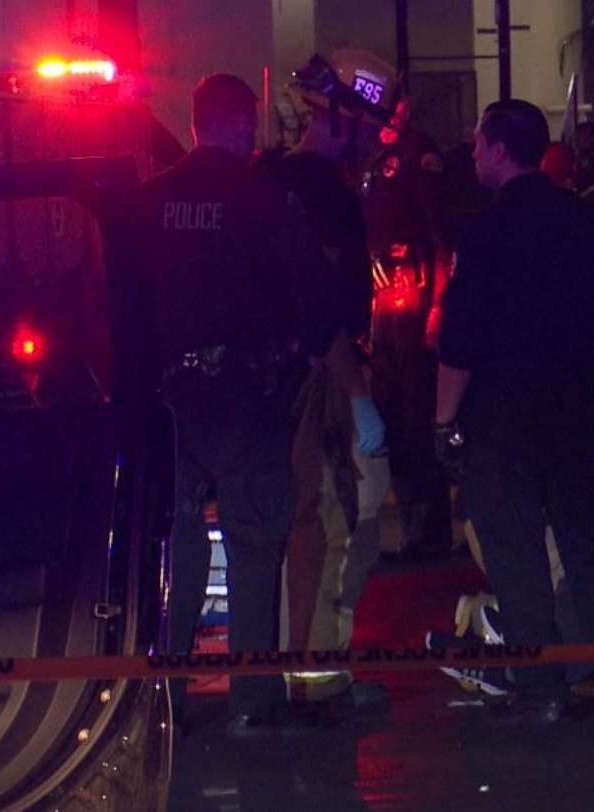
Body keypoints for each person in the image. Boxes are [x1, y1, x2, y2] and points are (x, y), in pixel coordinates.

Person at [435, 99, 594, 722]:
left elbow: (458, 340)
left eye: (480, 143)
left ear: (501, 149)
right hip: (577, 408)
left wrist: (442, 423)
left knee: (517, 555)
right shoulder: (587, 221)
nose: (474, 153)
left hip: (502, 416)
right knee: (591, 548)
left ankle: (543, 691)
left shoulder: (483, 233)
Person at [141, 74, 344, 735]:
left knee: (174, 546)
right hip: (247, 400)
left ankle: (164, 698)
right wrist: (304, 357)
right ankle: (253, 703)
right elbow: (318, 292)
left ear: (198, 123)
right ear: (241, 122)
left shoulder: (148, 202)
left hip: (169, 400)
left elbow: (118, 301)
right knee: (255, 544)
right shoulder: (264, 203)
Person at [257, 50, 394, 706]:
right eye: (369, 130)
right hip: (325, 385)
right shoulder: (327, 191)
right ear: (342, 120)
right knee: (344, 519)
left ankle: (297, 667)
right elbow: (326, 304)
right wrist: (361, 397)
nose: (373, 146)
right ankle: (319, 675)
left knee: (296, 522)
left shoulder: (268, 178)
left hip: (272, 383)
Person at [363, 91, 454, 561]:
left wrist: (437, 307)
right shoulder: (373, 156)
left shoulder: (418, 155)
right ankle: (412, 525)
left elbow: (441, 236)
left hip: (413, 306)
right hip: (383, 307)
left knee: (416, 415)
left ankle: (430, 529)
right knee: (392, 413)